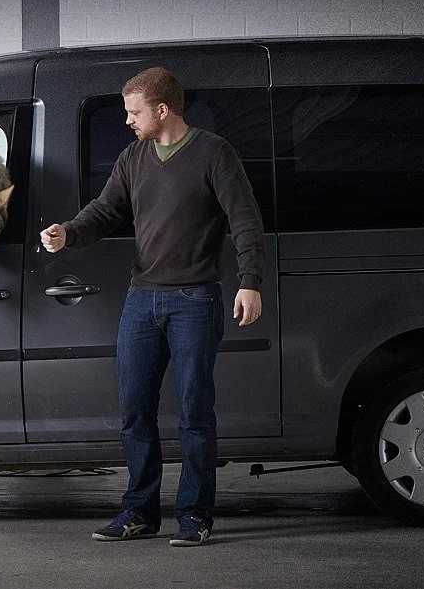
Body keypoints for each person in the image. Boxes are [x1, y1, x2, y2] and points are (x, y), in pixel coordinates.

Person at [40, 67, 265, 547]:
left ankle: (195, 515)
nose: (127, 121)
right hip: (142, 300)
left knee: (194, 413)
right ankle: (139, 511)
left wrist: (250, 282)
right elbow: (104, 211)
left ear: (163, 110)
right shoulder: (133, 158)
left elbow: (245, 221)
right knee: (134, 411)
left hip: (196, 301)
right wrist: (69, 232)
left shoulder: (213, 154)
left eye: (134, 112)